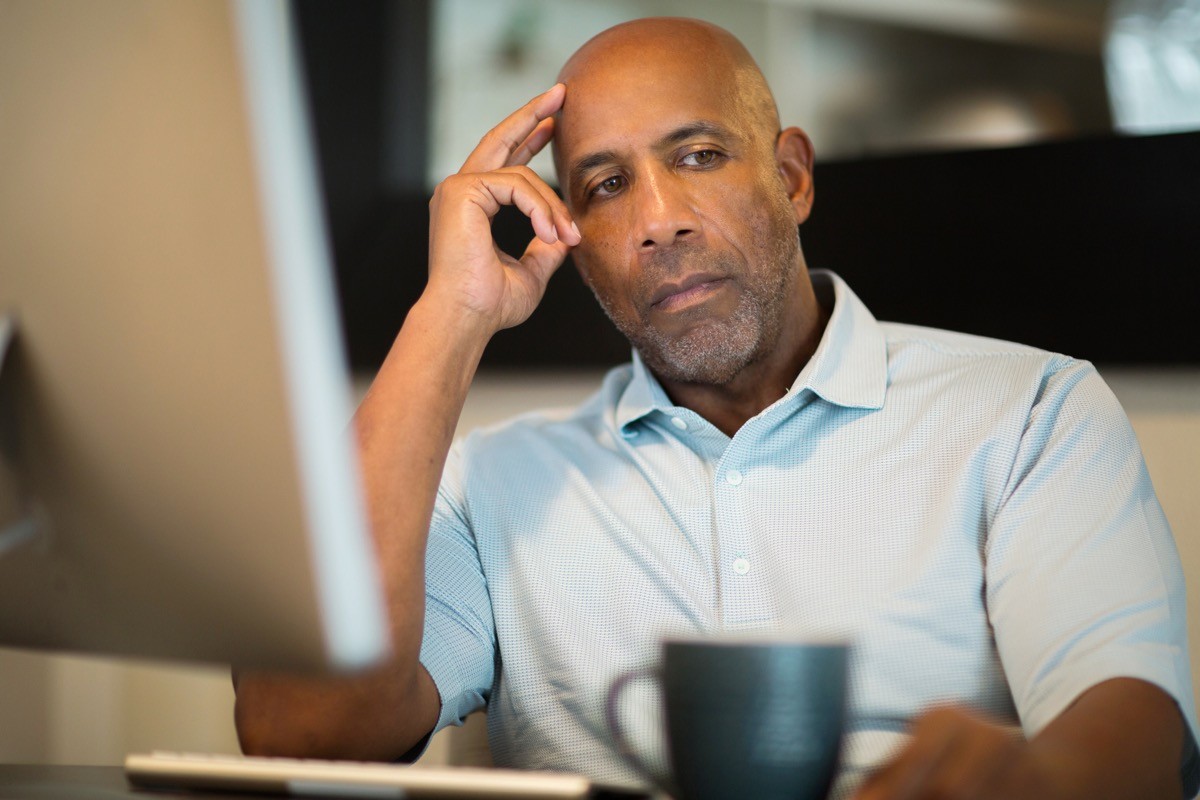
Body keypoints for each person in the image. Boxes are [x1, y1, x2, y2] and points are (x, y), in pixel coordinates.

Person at [234, 17, 1199, 800]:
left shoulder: (1028, 412)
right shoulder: (495, 485)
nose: (657, 220)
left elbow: (1136, 733)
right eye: (605, 186)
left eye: (697, 156)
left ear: (790, 176)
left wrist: (1035, 780)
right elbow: (300, 725)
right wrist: (451, 313)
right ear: (568, 234)